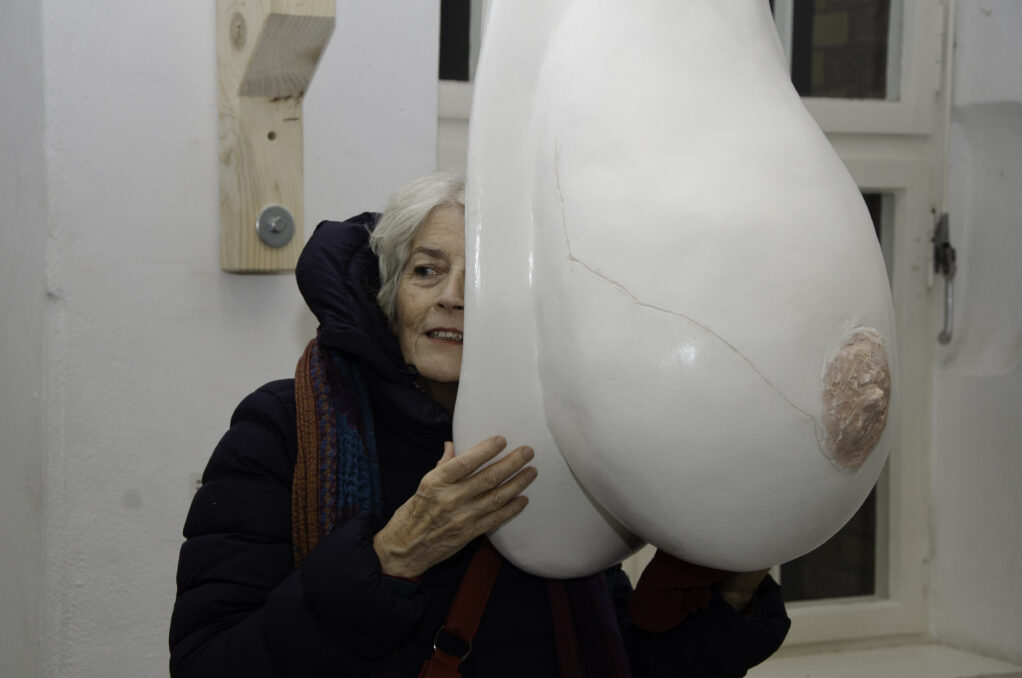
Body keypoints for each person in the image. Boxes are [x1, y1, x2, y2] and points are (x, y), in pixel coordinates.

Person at [169, 172, 791, 677]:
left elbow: (619, 659)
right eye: (427, 271)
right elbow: (208, 663)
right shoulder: (285, 428)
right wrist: (392, 556)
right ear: (390, 296)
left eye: (484, 277)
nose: (453, 296)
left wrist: (732, 591)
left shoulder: (557, 439)